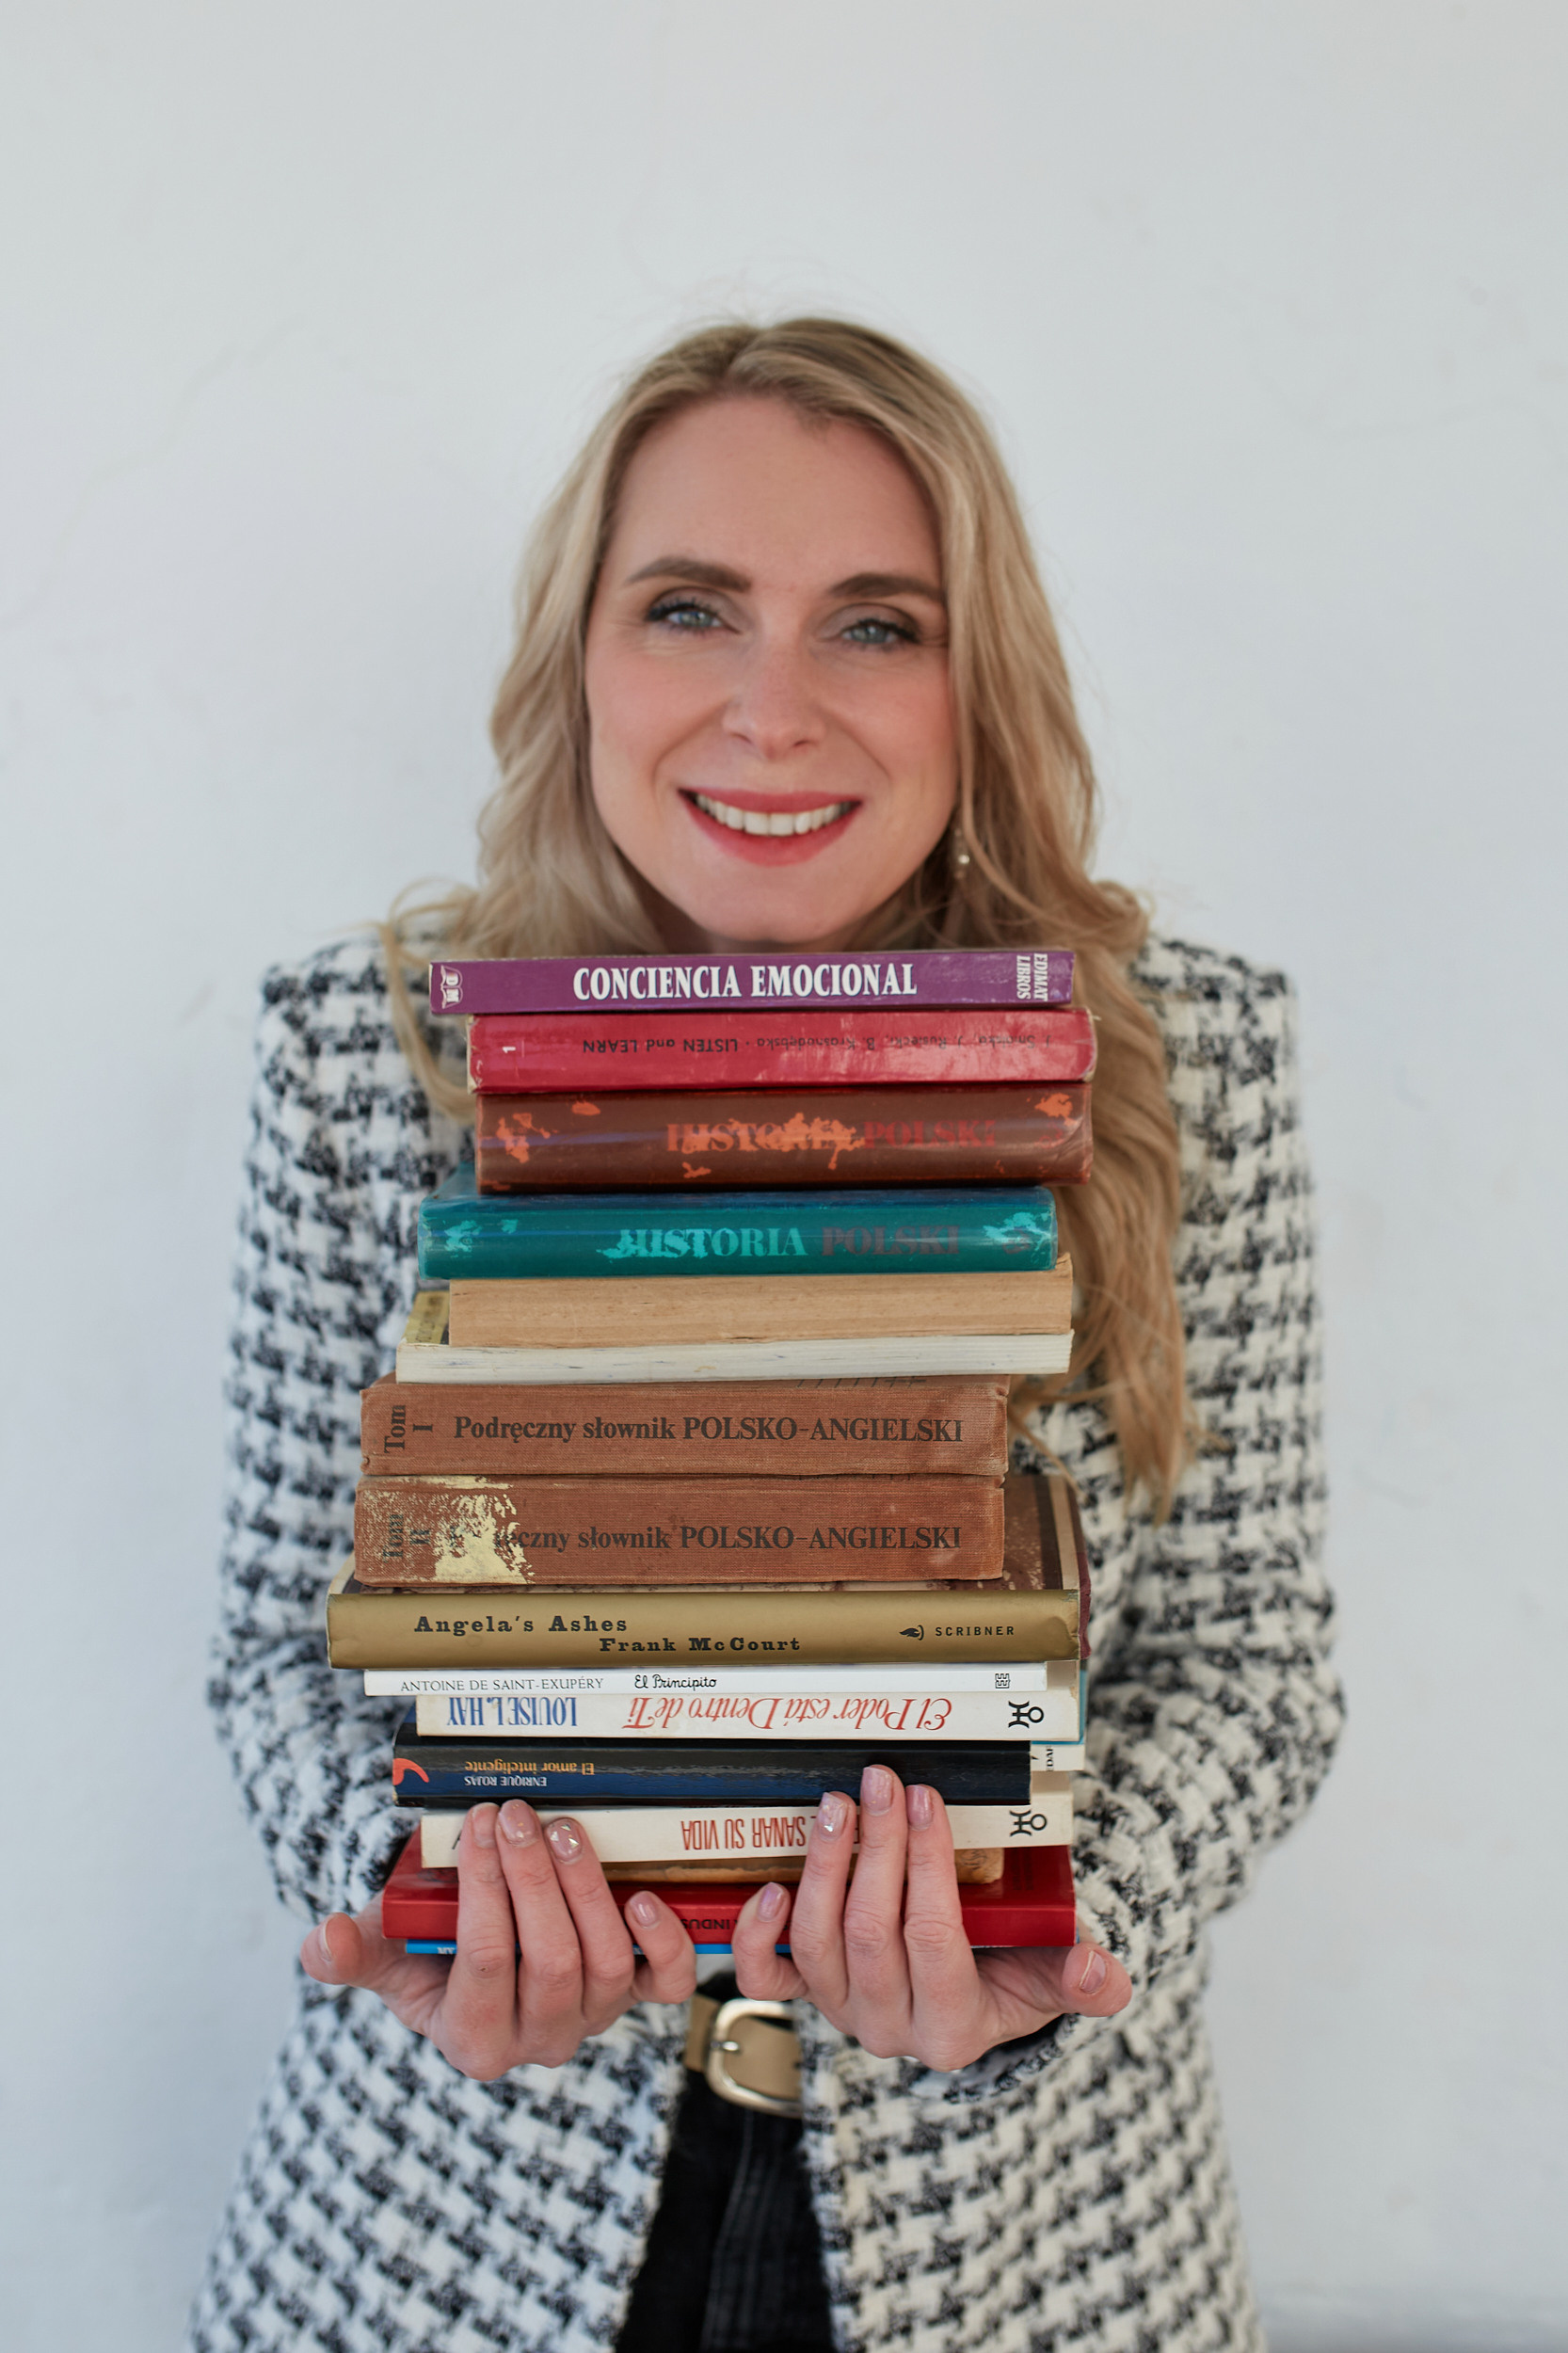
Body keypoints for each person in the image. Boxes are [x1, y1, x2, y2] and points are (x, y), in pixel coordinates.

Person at [188, 319, 1341, 2353]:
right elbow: (284, 1642)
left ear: (979, 682)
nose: (772, 711)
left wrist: (1051, 1921)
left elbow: (1249, 1654)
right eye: (689, 606)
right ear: (579, 658)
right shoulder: (371, 1058)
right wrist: (430, 1888)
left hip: (1023, 2222)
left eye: (875, 624)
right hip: (462, 2212)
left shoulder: (1180, 1057)